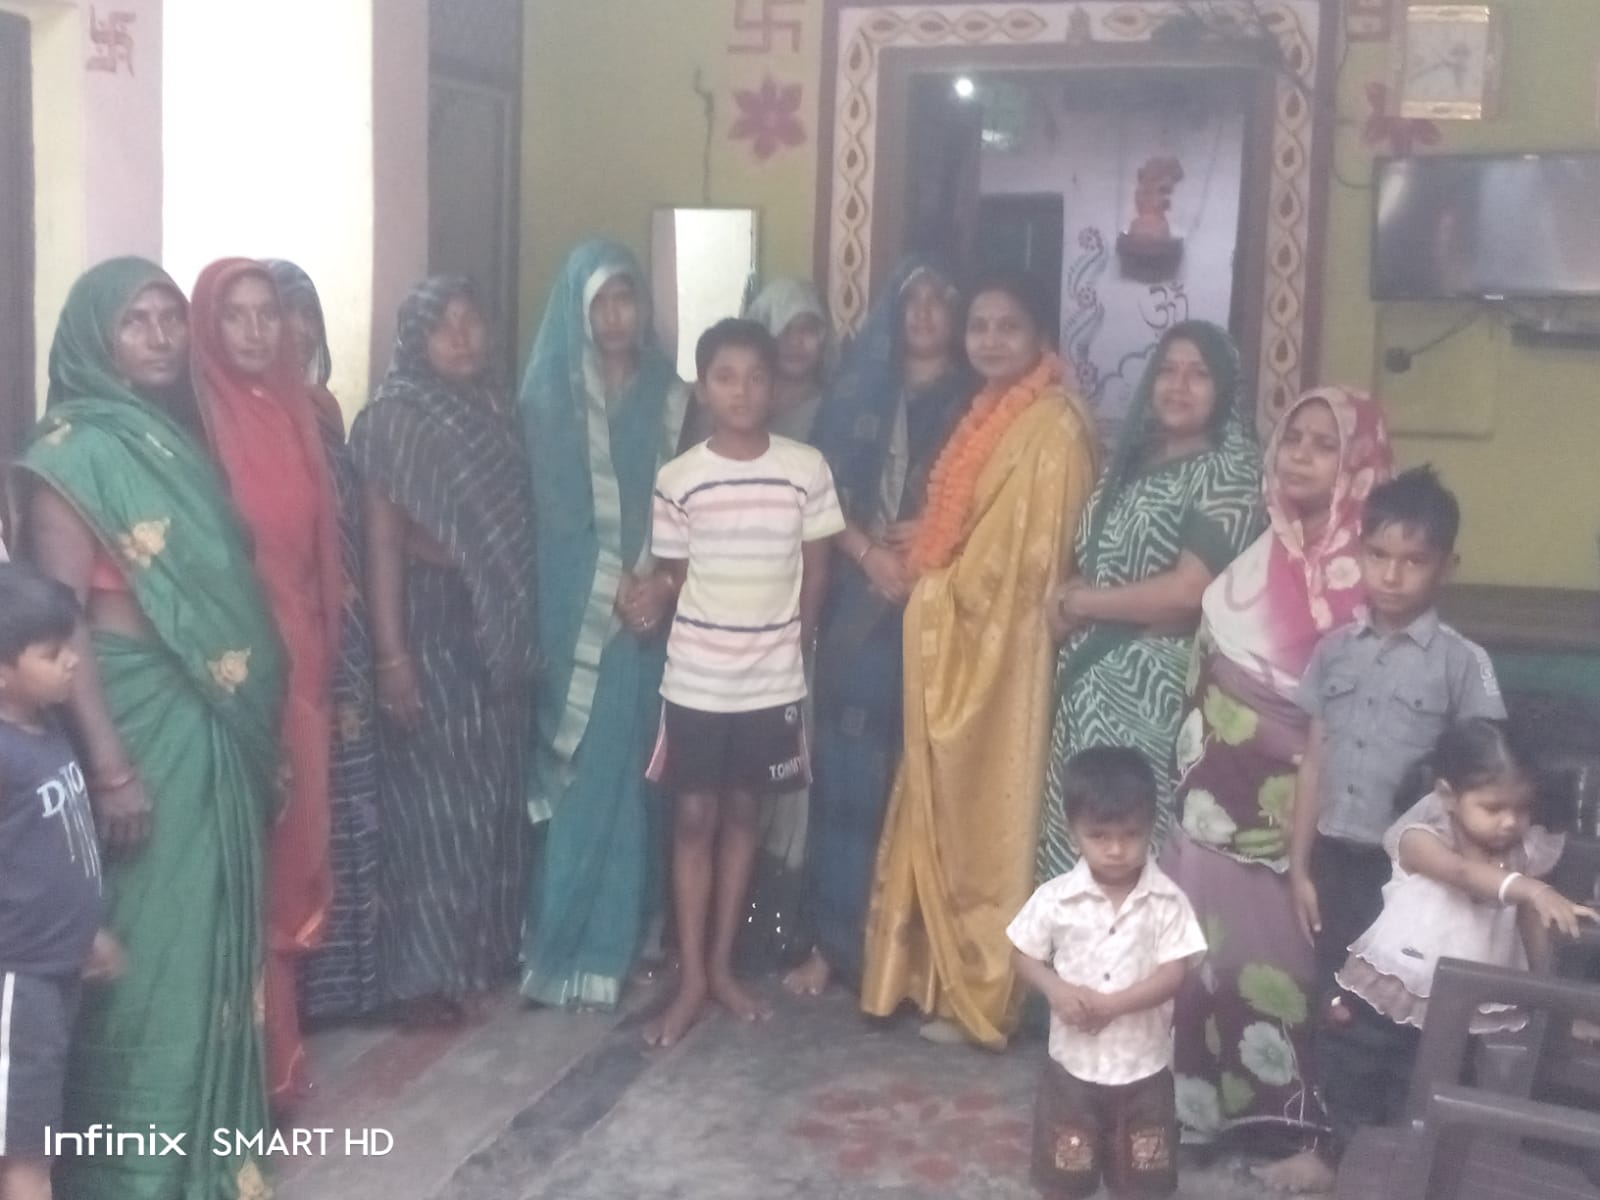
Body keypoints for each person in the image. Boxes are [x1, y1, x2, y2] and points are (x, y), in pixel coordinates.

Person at [18, 257, 285, 1200]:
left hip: (204, 713)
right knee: (147, 954)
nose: (162, 336)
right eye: (136, 320)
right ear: (94, 336)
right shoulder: (70, 456)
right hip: (132, 718)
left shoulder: (179, 439)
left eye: (170, 317)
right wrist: (111, 765)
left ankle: (208, 1155)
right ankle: (132, 1172)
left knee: (210, 938)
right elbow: (63, 623)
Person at [860, 272, 1099, 1049]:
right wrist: (933, 543)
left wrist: (932, 585)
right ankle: (929, 978)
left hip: (1004, 655)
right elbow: (971, 522)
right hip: (971, 639)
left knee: (986, 814)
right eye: (981, 327)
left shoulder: (1053, 429)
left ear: (1041, 340)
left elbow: (1025, 567)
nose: (991, 340)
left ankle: (981, 990)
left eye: (1009, 327)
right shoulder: (994, 411)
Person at [1265, 466, 1507, 1191]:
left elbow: (1485, 777)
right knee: (1339, 1006)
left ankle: (1408, 1156)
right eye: (1379, 555)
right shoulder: (1335, 652)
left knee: (1410, 1015)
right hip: (1338, 862)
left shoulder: (1464, 665)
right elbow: (1314, 762)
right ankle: (1331, 1150)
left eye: (1414, 560)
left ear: (1447, 566)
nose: (1393, 575)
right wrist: (1299, 866)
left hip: (1417, 880)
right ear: (1360, 553)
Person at [1163, 388, 1393, 1140]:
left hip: (1290, 820)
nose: (1300, 455)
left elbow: (1352, 720)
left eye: (1326, 445)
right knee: (1202, 958)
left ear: (1360, 464)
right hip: (1209, 806)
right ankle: (1201, 1115)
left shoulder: (1370, 579)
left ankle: (1292, 1124)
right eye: (1294, 438)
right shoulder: (1263, 550)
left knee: (1281, 966)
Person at [640, 317, 844, 1046]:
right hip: (696, 679)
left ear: (777, 387)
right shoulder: (679, 479)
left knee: (744, 815)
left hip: (771, 681)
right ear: (703, 388)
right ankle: (693, 976)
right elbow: (677, 576)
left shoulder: (805, 468)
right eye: (725, 377)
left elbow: (816, 572)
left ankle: (723, 967)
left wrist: (795, 646)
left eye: (757, 377)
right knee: (694, 817)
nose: (742, 391)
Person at [350, 277, 538, 1022]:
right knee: (431, 807)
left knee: (490, 793)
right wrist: (393, 657)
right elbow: (382, 541)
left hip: (494, 624)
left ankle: (475, 955)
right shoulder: (395, 420)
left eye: (472, 320)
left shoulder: (497, 410)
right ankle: (417, 978)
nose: (462, 337)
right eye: (442, 325)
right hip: (428, 622)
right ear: (414, 339)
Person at [785, 259, 972, 997]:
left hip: (941, 607)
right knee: (846, 777)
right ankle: (834, 946)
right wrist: (868, 554)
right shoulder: (857, 394)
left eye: (939, 299)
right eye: (911, 299)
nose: (923, 312)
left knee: (919, 778)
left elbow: (997, 504)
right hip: (858, 605)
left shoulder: (978, 403)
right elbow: (818, 494)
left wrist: (939, 538)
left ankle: (910, 957)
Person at [1302, 720, 1594, 1187]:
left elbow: (1529, 924)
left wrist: (1553, 1001)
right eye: (1493, 807)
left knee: (1431, 1094)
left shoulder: (1522, 856)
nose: (1510, 821)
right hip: (1394, 990)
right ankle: (1337, 1163)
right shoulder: (1420, 838)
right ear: (1447, 795)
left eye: (1522, 808)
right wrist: (1530, 888)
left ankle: (1404, 1178)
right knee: (1359, 1073)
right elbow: (1461, 874)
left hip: (1468, 1007)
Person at [521, 240, 691, 1010]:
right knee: (586, 777)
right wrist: (617, 587)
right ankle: (562, 947)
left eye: (627, 298)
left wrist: (660, 585)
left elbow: (691, 500)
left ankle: (625, 942)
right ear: (578, 311)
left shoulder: (673, 396)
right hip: (581, 618)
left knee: (641, 779)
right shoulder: (547, 398)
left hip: (656, 615)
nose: (617, 316)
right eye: (601, 302)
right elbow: (554, 518)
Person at [189, 257, 343, 1105]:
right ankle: (228, 1076)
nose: (254, 330)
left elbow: (317, 555)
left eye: (267, 313)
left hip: (298, 666)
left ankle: (276, 1063)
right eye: (235, 314)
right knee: (230, 864)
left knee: (286, 858)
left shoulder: (299, 410)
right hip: (223, 673)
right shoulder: (192, 421)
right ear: (208, 325)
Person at [1039, 321, 1264, 881]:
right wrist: (1067, 604)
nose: (1178, 385)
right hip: (1087, 688)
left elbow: (1189, 593)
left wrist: (1082, 605)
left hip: (1152, 692)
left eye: (1198, 374)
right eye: (1167, 370)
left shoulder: (1229, 470)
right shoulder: (1131, 462)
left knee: (1125, 848)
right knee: (1078, 850)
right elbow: (1096, 560)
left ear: (1225, 388)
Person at [263, 259, 384, 1021]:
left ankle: (346, 985)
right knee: (296, 805)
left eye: (307, 312)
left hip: (347, 633)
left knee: (344, 802)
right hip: (287, 639)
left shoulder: (325, 411)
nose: (299, 330)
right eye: (283, 314)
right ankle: (293, 997)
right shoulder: (244, 419)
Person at [1009, 747, 1208, 1200]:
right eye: (1099, 836)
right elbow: (1022, 954)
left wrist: (1111, 1006)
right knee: (1064, 1178)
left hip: (1143, 1072)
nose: (1116, 849)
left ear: (1151, 827)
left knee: (1144, 1181)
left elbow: (1174, 974)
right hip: (1072, 1071)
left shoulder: (1168, 902)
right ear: (1072, 833)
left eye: (1130, 835)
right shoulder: (1054, 898)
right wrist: (1055, 988)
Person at [0, 565, 123, 1200]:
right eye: (52, 654)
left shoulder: (44, 728)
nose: (73, 661)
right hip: (17, 980)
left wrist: (85, 933)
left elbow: (53, 855)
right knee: (25, 1151)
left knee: (34, 1136)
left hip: (54, 968)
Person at [731, 278, 834, 975]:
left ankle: (777, 925)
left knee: (790, 768)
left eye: (811, 329)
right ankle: (721, 931)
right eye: (786, 329)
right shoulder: (731, 415)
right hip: (729, 621)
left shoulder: (839, 410)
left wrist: (801, 630)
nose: (799, 343)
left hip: (801, 617)